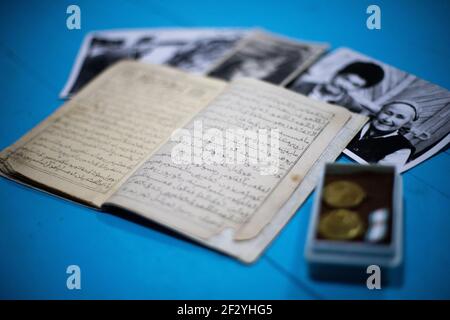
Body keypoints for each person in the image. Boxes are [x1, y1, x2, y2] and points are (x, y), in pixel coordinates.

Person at [291, 61, 385, 113]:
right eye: (346, 79)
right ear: (336, 74)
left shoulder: (351, 108)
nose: (344, 85)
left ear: (359, 89)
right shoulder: (303, 85)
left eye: (354, 85)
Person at [347, 100, 419, 167]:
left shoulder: (402, 148)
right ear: (379, 111)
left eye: (400, 117)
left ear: (406, 124)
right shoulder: (354, 120)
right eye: (387, 112)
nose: (388, 119)